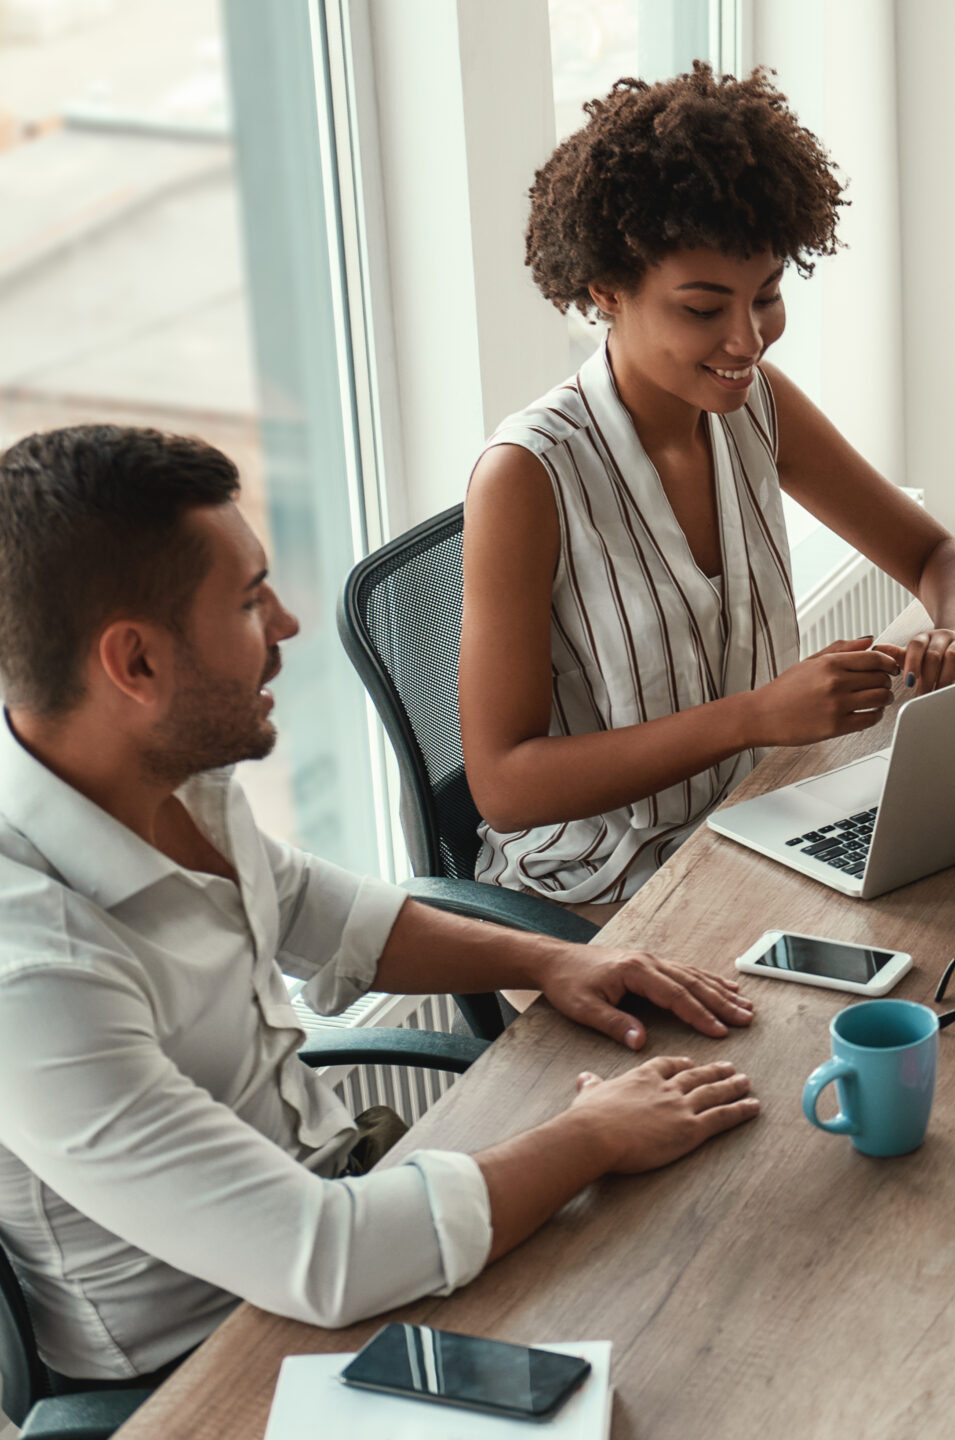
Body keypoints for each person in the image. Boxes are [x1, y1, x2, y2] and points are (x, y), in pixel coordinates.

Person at [0, 425, 761, 1385]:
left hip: (340, 1209)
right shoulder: (31, 976)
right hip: (213, 1361)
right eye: (246, 601)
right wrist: (592, 1137)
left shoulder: (165, 776)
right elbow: (324, 1259)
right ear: (135, 666)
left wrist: (552, 961)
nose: (285, 624)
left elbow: (331, 913)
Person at [464, 65, 955, 910]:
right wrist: (754, 717)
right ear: (608, 291)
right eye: (704, 309)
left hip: (761, 819)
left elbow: (938, 554)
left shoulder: (757, 407)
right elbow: (505, 787)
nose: (748, 340)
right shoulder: (529, 475)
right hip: (603, 883)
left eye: (768, 296)